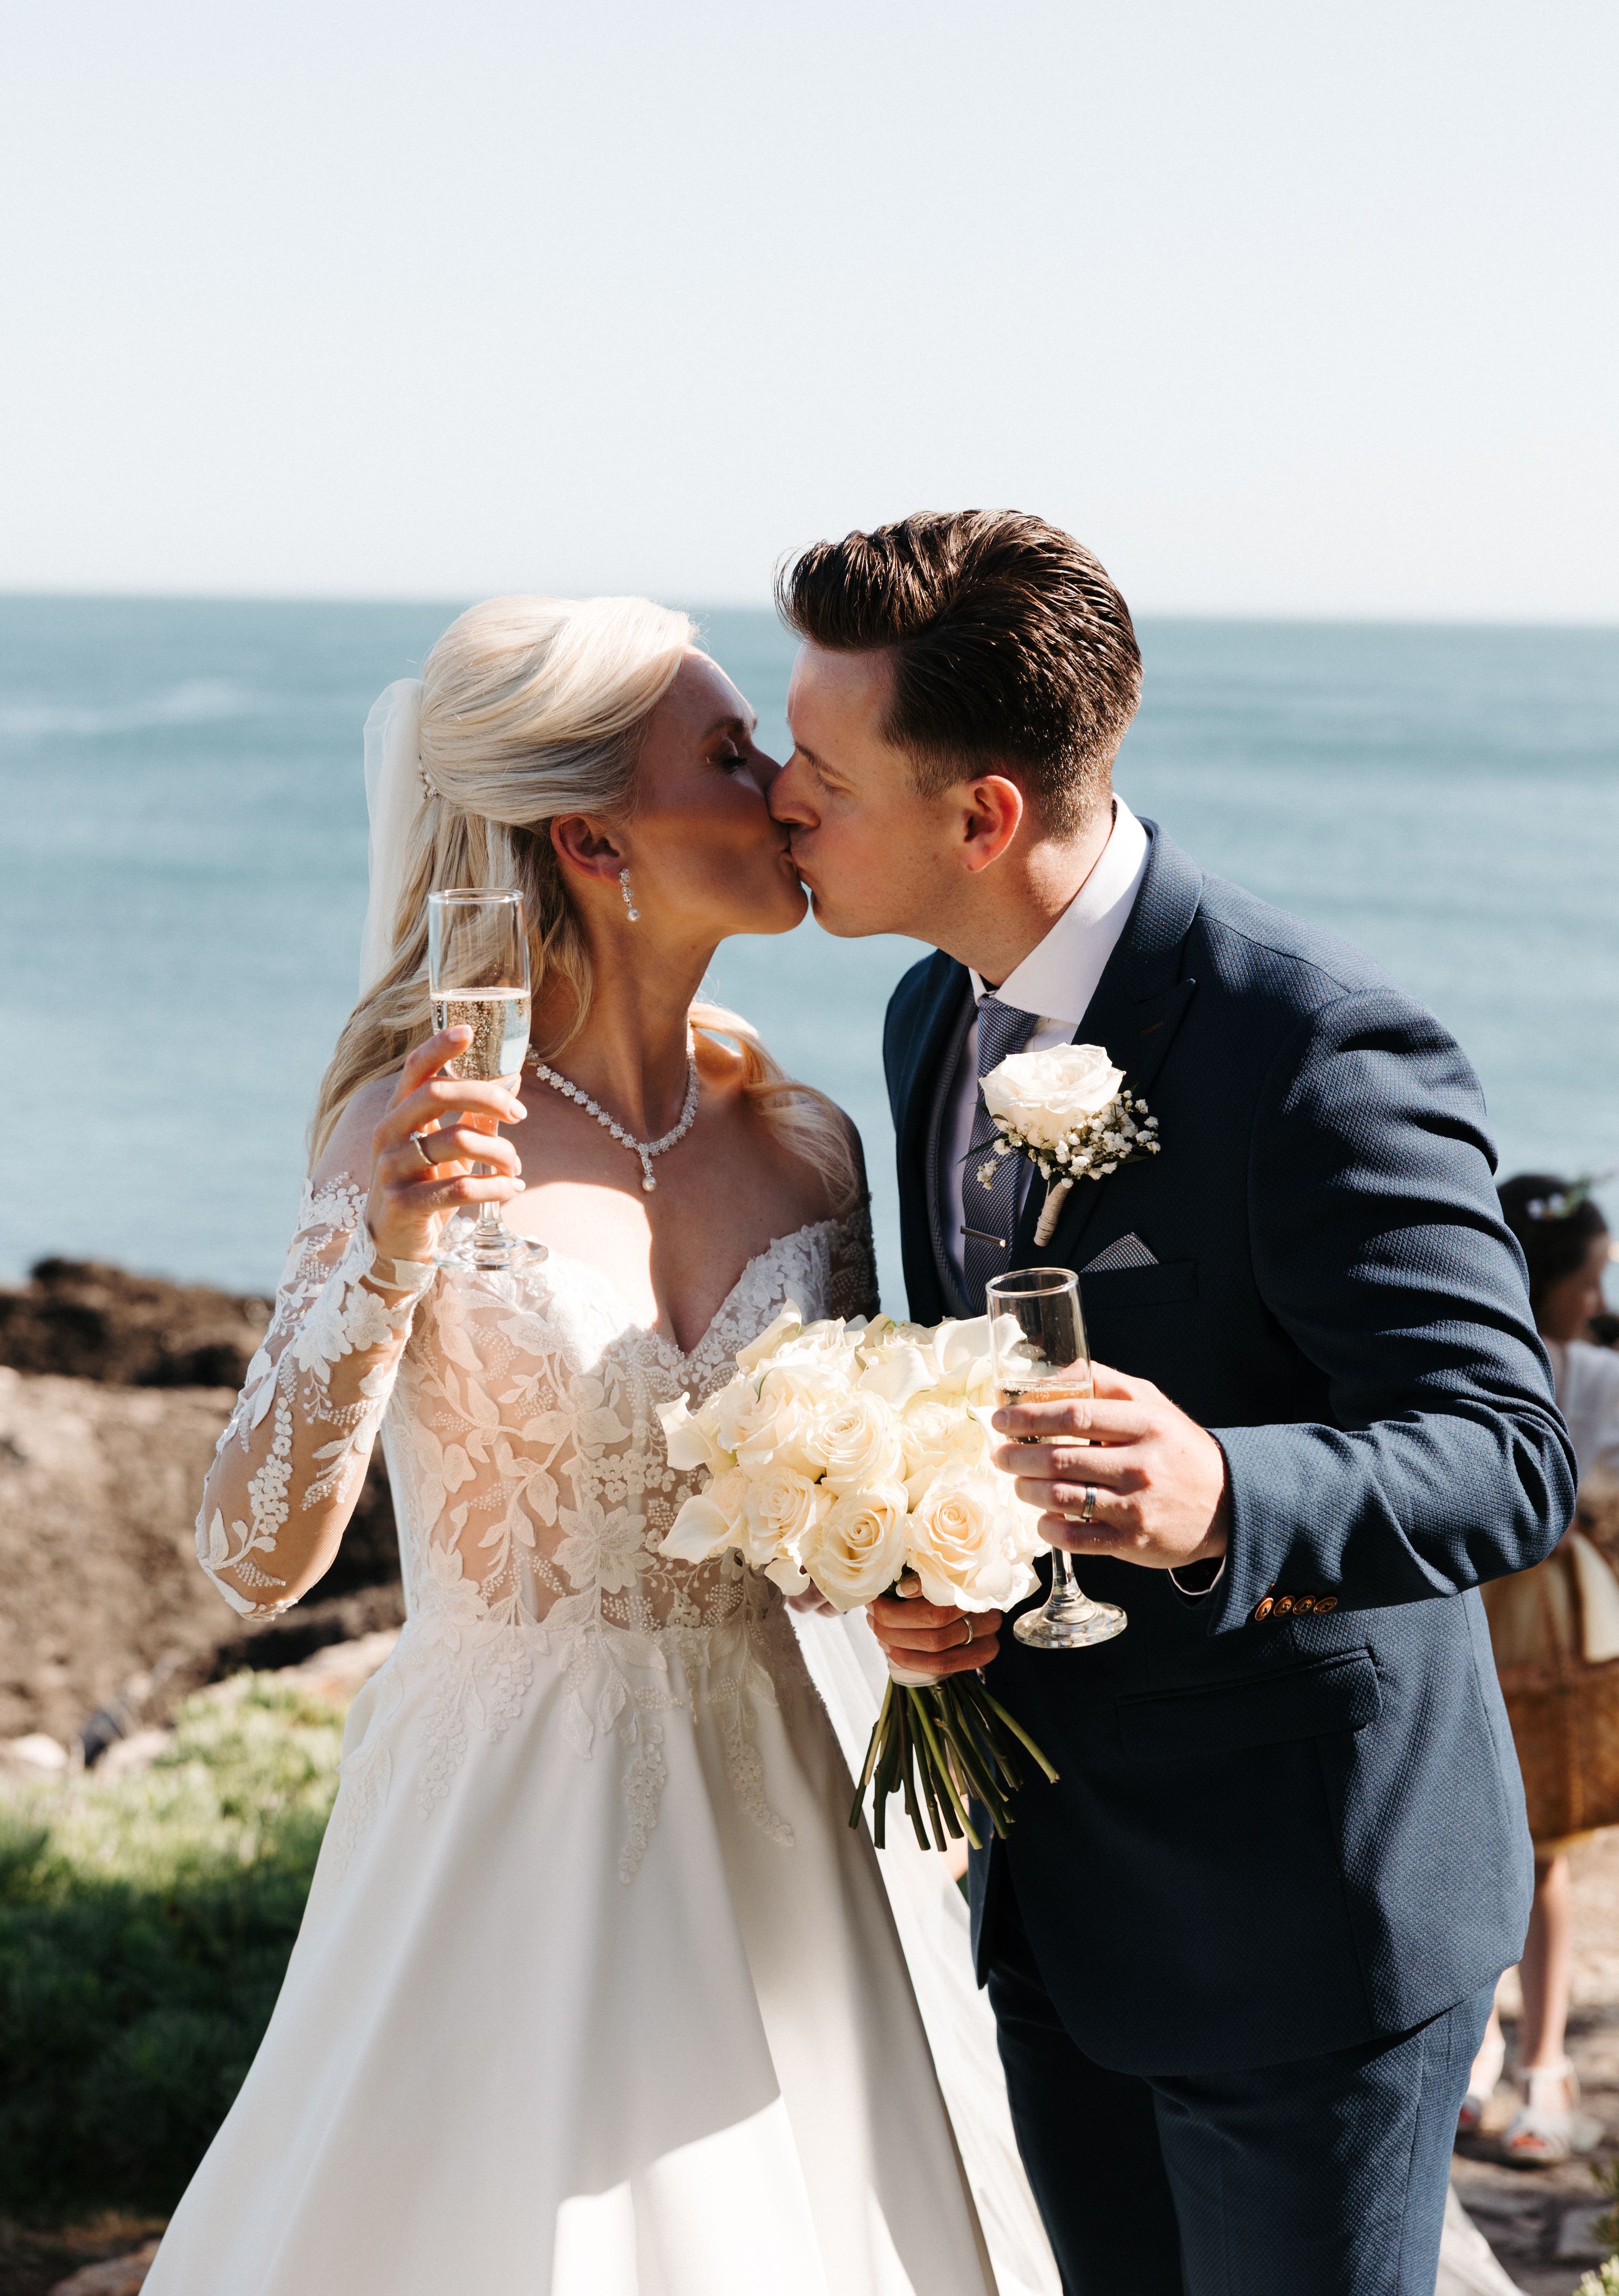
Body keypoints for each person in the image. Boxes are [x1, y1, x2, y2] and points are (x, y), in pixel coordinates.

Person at [143, 594, 1054, 2296]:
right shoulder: (413, 1124)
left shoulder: (806, 1143)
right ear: (589, 836)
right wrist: (382, 1252)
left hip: (796, 1823)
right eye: (726, 753)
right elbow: (258, 1554)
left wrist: (917, 1592)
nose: (785, 779)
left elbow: (830, 1523)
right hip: (509, 1831)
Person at [766, 511, 1576, 2296]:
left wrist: (1229, 1486)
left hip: (1304, 1928)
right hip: (1059, 1905)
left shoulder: (1319, 1049)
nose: (778, 800)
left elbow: (1506, 1456)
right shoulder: (929, 1020)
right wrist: (942, 1568)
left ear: (981, 814)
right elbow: (986, 1395)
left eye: (820, 768)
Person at [1461, 1175, 1619, 2162]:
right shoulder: (1598, 1377)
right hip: (1560, 1621)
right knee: (1544, 1850)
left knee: (1479, 1833)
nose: (1599, 1301)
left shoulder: (1472, 1356)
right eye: (1594, 1277)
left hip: (1474, 1601)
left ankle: (1493, 2060)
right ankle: (1540, 2065)